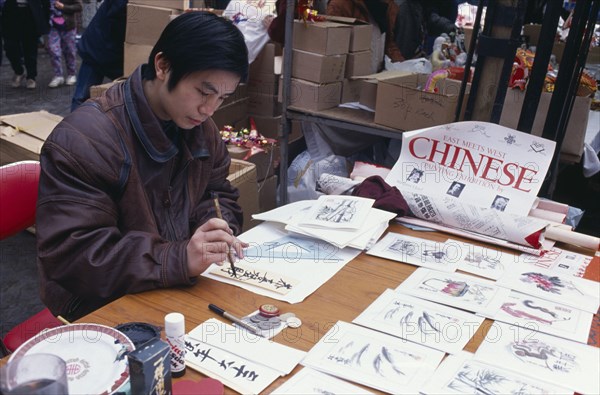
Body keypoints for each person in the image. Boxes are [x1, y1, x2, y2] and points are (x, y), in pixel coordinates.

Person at [37, 11, 250, 321]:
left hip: (171, 284)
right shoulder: (85, 139)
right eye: (204, 92)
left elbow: (217, 194)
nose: (209, 109)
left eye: (222, 97)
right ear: (163, 65)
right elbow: (79, 258)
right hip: (95, 305)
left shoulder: (201, 128)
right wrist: (179, 258)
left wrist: (216, 229)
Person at [70, 0, 127, 111]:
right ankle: (73, 126)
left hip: (108, 49)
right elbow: (118, 17)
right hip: (99, 48)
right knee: (82, 97)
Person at [1, 0, 50, 89]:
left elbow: (46, 3)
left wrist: (45, 20)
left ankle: (31, 77)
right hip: (11, 13)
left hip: (30, 14)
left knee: (30, 48)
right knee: (10, 47)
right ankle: (19, 71)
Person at [46, 0, 82, 88]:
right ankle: (58, 75)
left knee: (70, 50)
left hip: (68, 25)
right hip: (52, 26)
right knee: (53, 49)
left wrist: (64, 7)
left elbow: (79, 6)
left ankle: (72, 74)